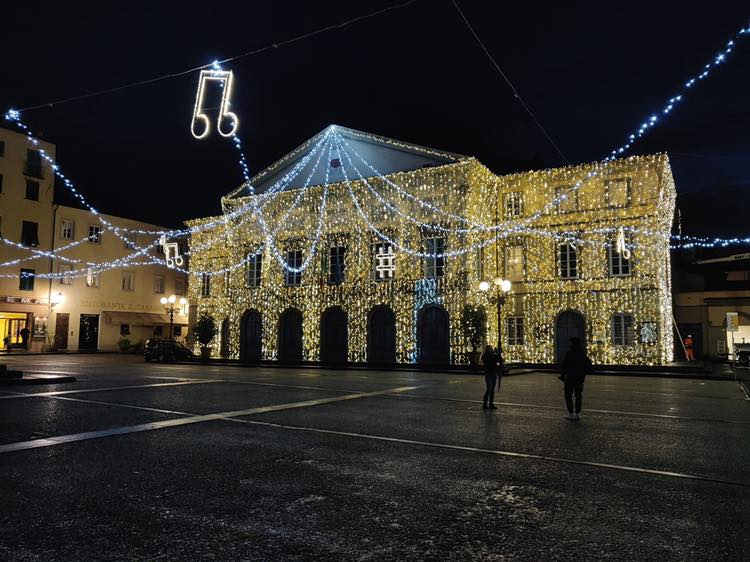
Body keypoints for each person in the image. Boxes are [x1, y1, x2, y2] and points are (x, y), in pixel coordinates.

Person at [560, 337, 592, 420]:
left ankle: (570, 413)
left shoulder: (569, 353)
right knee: (578, 395)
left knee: (568, 395)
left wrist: (562, 376)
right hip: (580, 378)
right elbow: (587, 365)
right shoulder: (582, 354)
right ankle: (577, 413)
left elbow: (564, 366)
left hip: (570, 377)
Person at [480, 344, 498, 410]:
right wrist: (494, 354)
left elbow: (499, 360)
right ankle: (485, 404)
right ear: (486, 350)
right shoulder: (485, 356)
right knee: (489, 389)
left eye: (491, 349)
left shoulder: (494, 355)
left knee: (492, 390)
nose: (490, 350)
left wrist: (498, 354)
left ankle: (491, 403)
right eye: (489, 349)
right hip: (488, 374)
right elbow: (486, 359)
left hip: (494, 373)